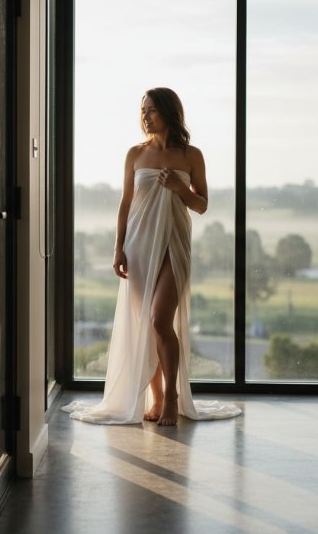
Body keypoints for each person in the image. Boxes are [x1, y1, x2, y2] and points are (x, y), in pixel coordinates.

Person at [63, 87, 241, 425]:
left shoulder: (191, 155)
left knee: (160, 320)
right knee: (148, 326)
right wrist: (118, 248)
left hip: (175, 244)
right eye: (142, 110)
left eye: (152, 110)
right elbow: (125, 204)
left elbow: (202, 205)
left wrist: (180, 189)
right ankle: (156, 397)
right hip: (139, 245)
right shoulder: (135, 154)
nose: (145, 116)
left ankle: (172, 397)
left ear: (170, 113)